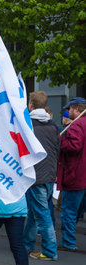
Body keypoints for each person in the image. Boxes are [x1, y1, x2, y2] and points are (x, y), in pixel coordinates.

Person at [22, 92, 60, 261]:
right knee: (34, 211)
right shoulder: (53, 126)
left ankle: (50, 251)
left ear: (31, 104)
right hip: (49, 174)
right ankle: (26, 244)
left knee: (42, 214)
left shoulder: (29, 125)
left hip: (35, 175)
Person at [56, 97, 86, 251]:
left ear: (76, 109)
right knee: (76, 210)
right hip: (83, 175)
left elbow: (74, 147)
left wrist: (61, 141)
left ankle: (68, 242)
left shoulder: (76, 125)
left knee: (69, 210)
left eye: (70, 109)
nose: (68, 112)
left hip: (74, 175)